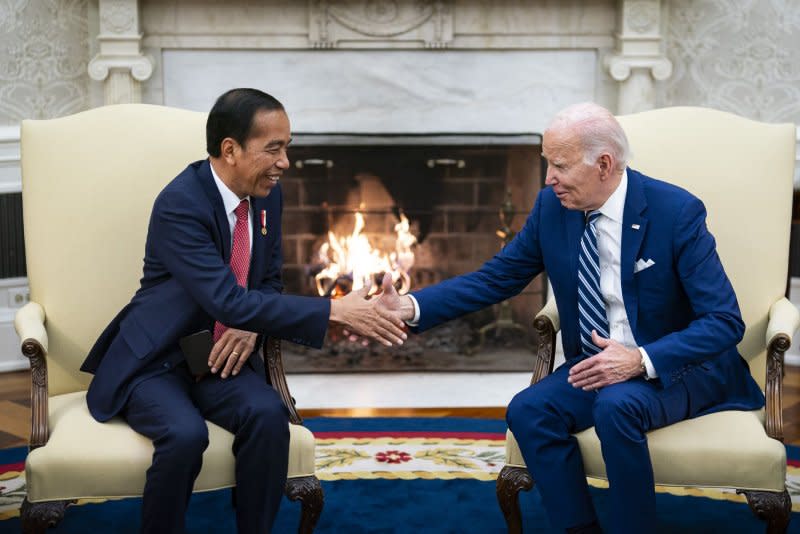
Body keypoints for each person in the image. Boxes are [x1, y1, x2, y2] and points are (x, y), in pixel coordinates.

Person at [379, 102, 765, 533]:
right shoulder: (552, 208)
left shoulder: (676, 212)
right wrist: (411, 306)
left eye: (559, 166)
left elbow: (724, 321)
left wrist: (639, 360)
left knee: (618, 405)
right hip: (598, 365)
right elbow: (498, 278)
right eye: (547, 164)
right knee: (528, 411)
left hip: (677, 366)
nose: (548, 178)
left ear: (604, 164)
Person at [80, 88, 406, 534]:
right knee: (184, 436)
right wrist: (334, 311)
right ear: (230, 150)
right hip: (156, 362)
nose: (285, 162)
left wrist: (251, 330)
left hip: (221, 357)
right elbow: (226, 300)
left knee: (269, 417)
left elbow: (265, 284)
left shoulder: (268, 195)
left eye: (287, 147)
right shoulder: (180, 204)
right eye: (273, 149)